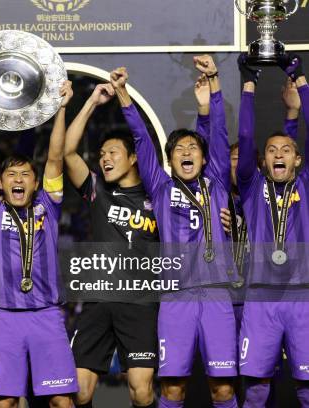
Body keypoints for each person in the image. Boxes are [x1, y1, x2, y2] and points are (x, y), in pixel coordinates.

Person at [114, 56, 239, 408]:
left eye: (193, 148)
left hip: (216, 296)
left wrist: (214, 82)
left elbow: (220, 132)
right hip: (176, 299)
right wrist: (123, 94)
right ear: (170, 162)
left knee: (224, 390)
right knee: (172, 390)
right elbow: (140, 136)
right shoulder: (161, 187)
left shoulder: (215, 181)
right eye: (179, 150)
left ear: (203, 158)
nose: (187, 152)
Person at [0, 80, 78, 408]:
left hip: (47, 315)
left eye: (25, 174)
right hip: (7, 318)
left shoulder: (48, 206)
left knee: (61, 402)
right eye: (12, 175)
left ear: (36, 183)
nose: (19, 179)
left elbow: (55, 157)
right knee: (5, 402)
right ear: (1, 183)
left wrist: (62, 108)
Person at [63, 82, 159, 408]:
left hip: (139, 303)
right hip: (99, 299)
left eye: (113, 153)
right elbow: (67, 152)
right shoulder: (97, 191)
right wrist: (91, 101)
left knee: (141, 390)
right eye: (102, 154)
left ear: (133, 158)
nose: (105, 159)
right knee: (79, 391)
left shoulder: (156, 196)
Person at [236, 53, 309, 408]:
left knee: (307, 388)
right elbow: (246, 134)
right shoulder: (251, 187)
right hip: (260, 298)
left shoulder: (306, 186)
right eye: (271, 150)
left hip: (303, 298)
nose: (278, 154)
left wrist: (303, 83)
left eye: (286, 150)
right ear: (264, 160)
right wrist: (248, 85)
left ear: (297, 159)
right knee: (256, 389)